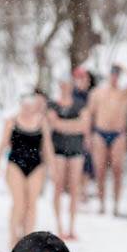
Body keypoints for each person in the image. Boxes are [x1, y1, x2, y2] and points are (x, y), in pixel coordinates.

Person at [0, 92, 54, 247]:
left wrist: (52, 167)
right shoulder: (12, 121)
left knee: (31, 203)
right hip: (15, 164)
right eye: (25, 105)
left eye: (31, 105)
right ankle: (13, 236)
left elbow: (47, 146)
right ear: (21, 105)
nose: (28, 108)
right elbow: (3, 143)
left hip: (36, 165)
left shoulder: (41, 121)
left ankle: (28, 237)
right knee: (19, 203)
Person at [47, 80, 90, 240]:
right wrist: (74, 125)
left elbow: (84, 125)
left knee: (74, 187)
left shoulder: (80, 104)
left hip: (76, 150)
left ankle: (72, 227)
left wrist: (63, 124)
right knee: (58, 186)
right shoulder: (53, 104)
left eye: (68, 85)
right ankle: (59, 226)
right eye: (63, 85)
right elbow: (53, 124)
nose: (65, 88)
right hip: (58, 150)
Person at [87, 64, 127, 216]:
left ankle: (116, 204)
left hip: (118, 134)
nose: (114, 78)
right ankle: (101, 203)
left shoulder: (124, 93)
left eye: (117, 75)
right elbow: (89, 115)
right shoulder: (97, 93)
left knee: (118, 169)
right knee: (100, 170)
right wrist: (88, 136)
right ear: (108, 75)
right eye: (112, 74)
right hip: (100, 133)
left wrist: (124, 68)